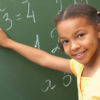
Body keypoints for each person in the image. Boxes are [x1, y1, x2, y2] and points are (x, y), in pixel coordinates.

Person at [0, 3, 100, 100]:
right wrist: (8, 43)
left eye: (80, 35)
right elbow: (43, 58)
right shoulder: (80, 67)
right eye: (65, 41)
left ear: (98, 30)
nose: (73, 47)